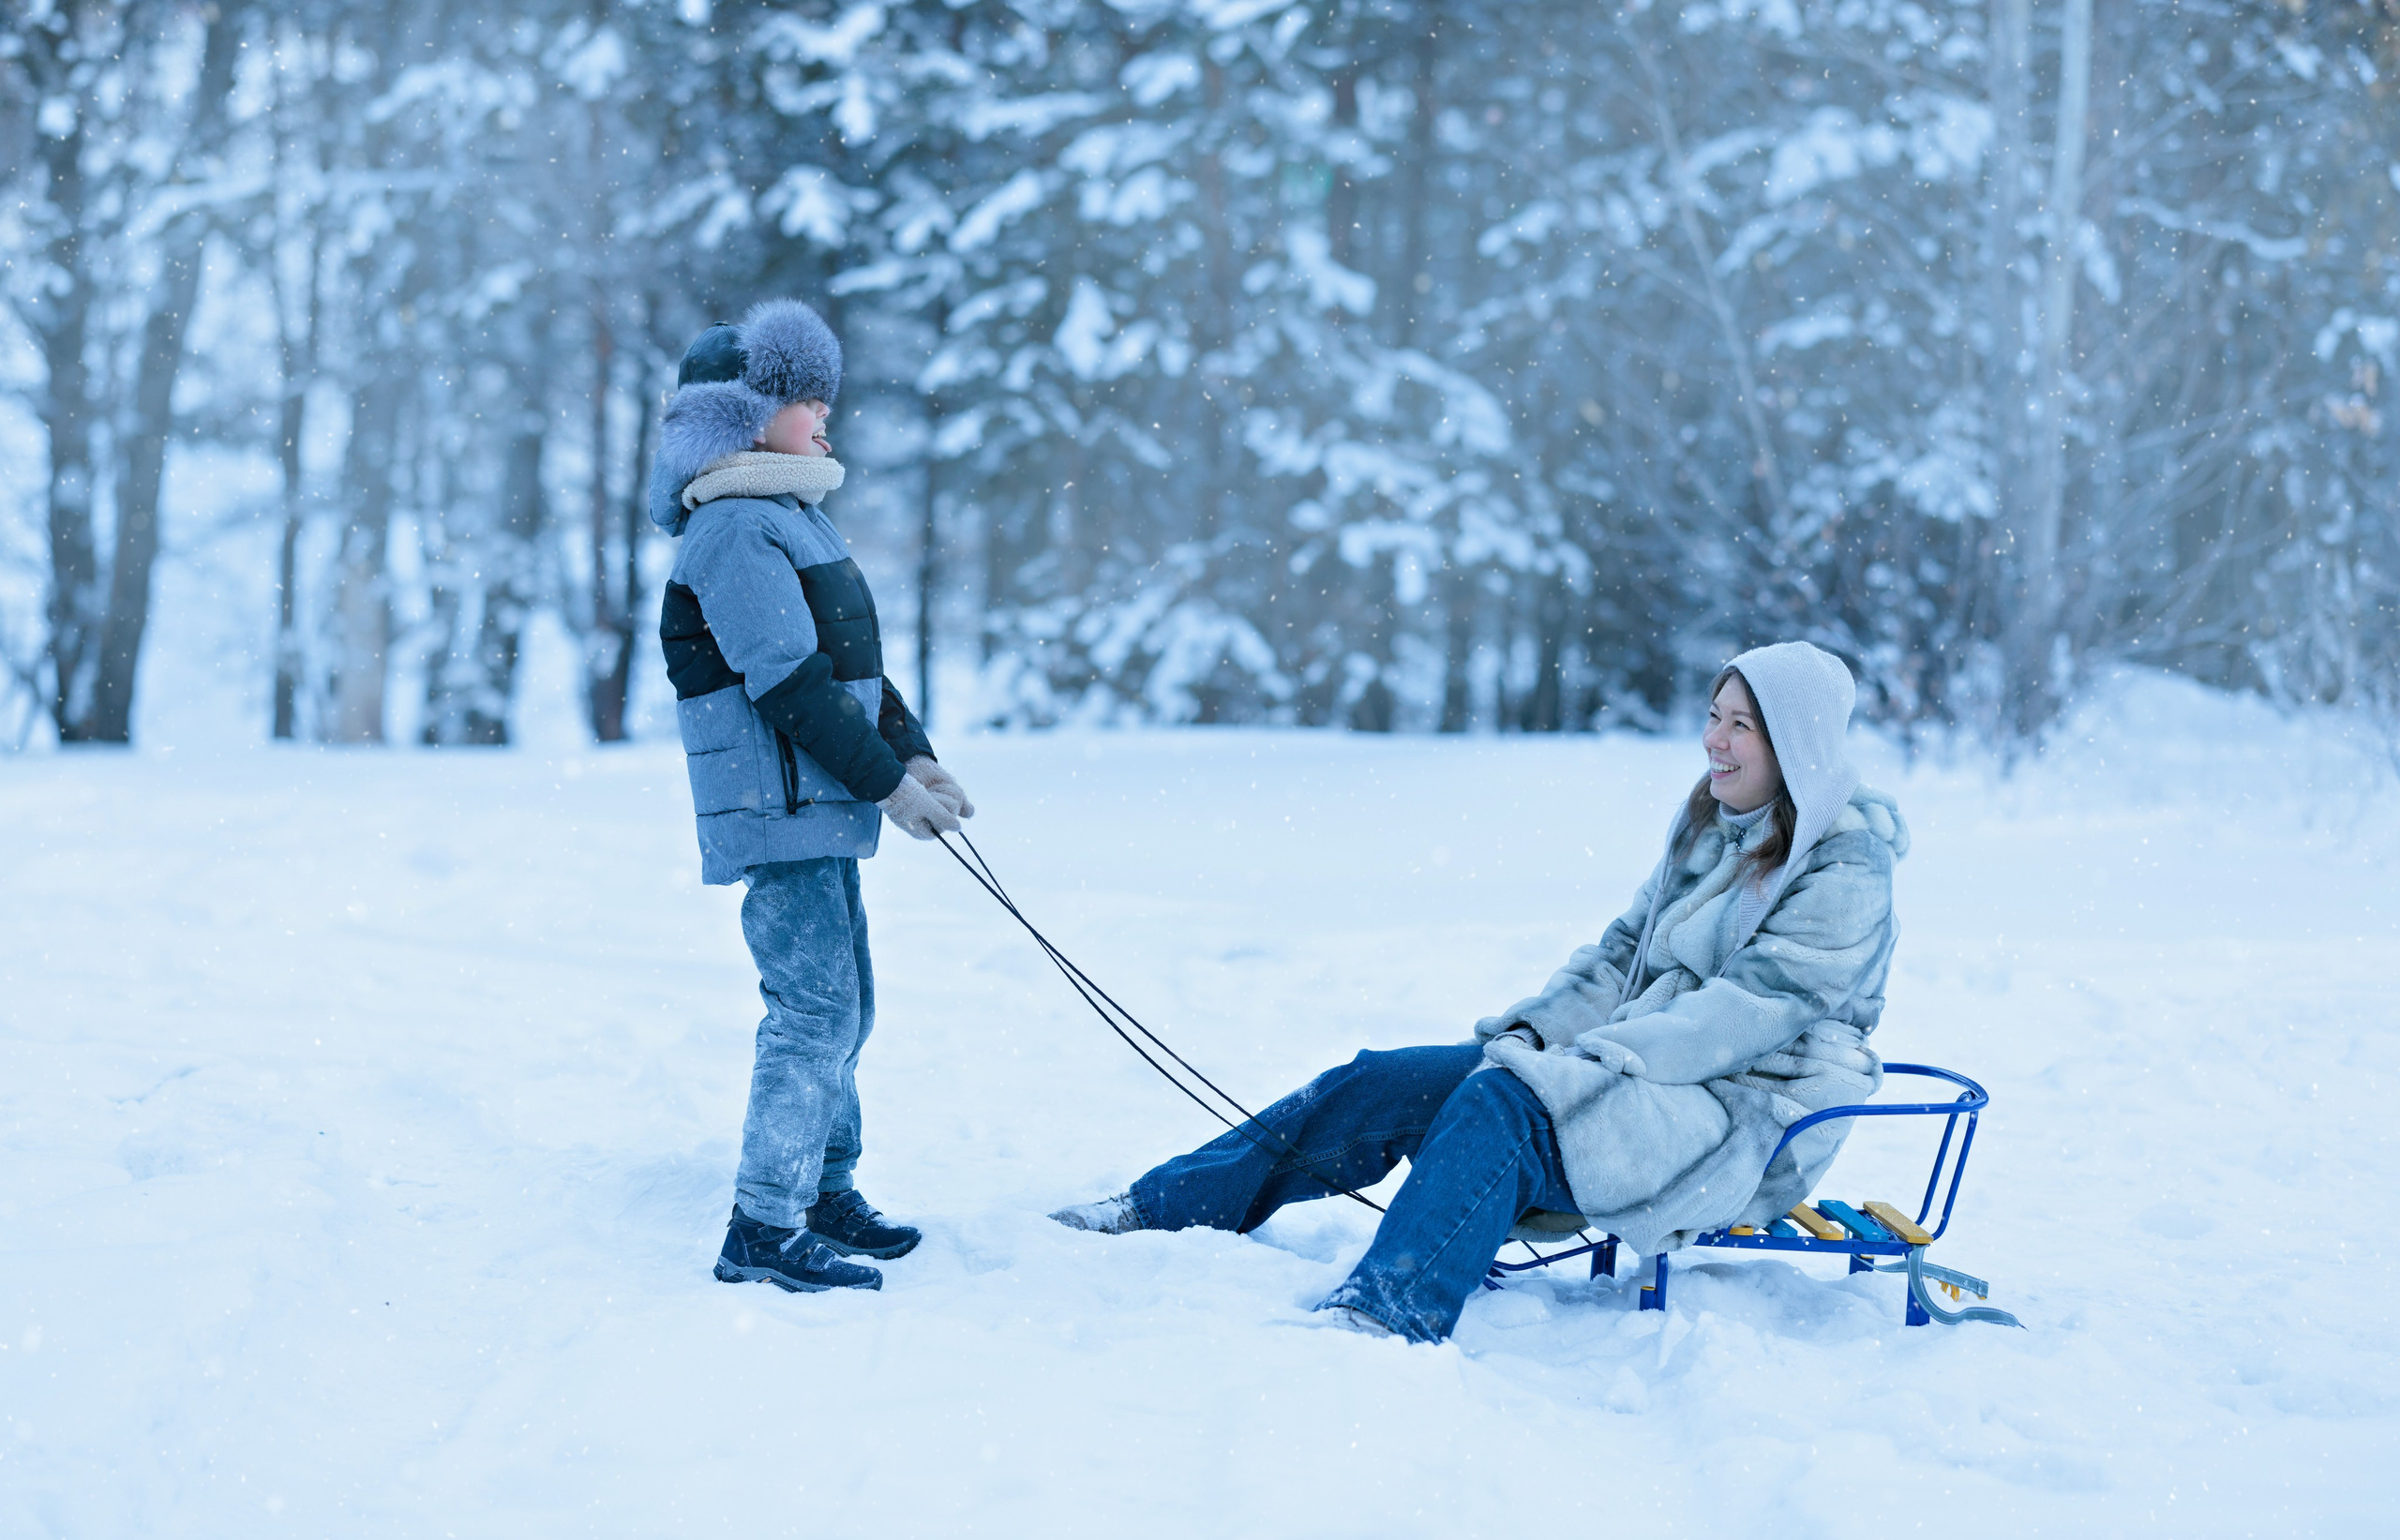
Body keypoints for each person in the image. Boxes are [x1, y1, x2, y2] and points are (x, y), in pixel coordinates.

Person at [1051, 641, 1907, 1343]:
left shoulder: (1846, 864)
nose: (1715, 741)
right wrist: (1540, 1035)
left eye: (1741, 726)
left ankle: (1389, 1311)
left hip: (1742, 1113)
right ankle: (1158, 1206)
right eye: (1714, 717)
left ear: (1795, 743)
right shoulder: (1712, 828)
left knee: (1504, 1103)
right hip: (1637, 1073)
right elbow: (1619, 958)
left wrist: (1595, 1059)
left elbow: (1750, 1014)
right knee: (1391, 1077)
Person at [652, 298, 974, 1294]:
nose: (825, 410)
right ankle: (764, 1219)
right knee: (812, 1011)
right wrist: (883, 786)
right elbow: (788, 680)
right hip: (778, 802)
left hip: (817, 796)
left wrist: (910, 758)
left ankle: (824, 1186)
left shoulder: (790, 515)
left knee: (847, 1005)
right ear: (739, 418)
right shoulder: (733, 530)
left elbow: (852, 671)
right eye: (802, 396)